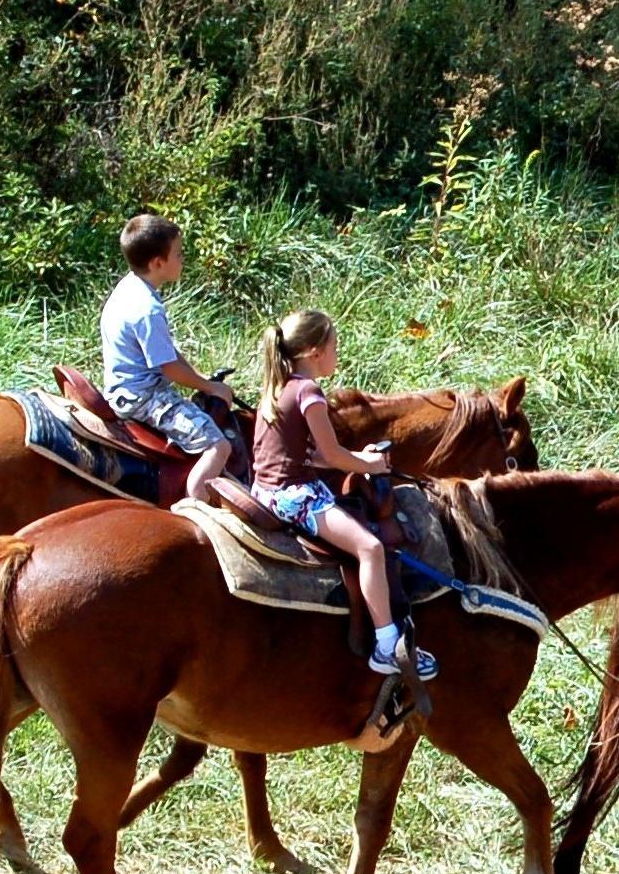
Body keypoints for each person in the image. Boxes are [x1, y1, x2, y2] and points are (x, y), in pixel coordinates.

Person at [252, 309, 438, 681]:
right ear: (314, 351)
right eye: (334, 345)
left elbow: (309, 454)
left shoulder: (278, 387)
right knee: (369, 548)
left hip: (265, 489)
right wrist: (370, 465)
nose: (338, 353)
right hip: (294, 495)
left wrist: (358, 459)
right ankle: (387, 645)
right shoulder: (308, 392)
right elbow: (334, 454)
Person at [99, 214, 236, 505]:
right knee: (218, 445)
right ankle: (196, 503)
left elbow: (166, 352)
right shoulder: (147, 309)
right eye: (178, 253)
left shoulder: (128, 288)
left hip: (124, 388)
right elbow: (169, 367)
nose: (182, 259)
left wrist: (200, 378)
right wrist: (212, 388)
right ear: (157, 263)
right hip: (144, 397)